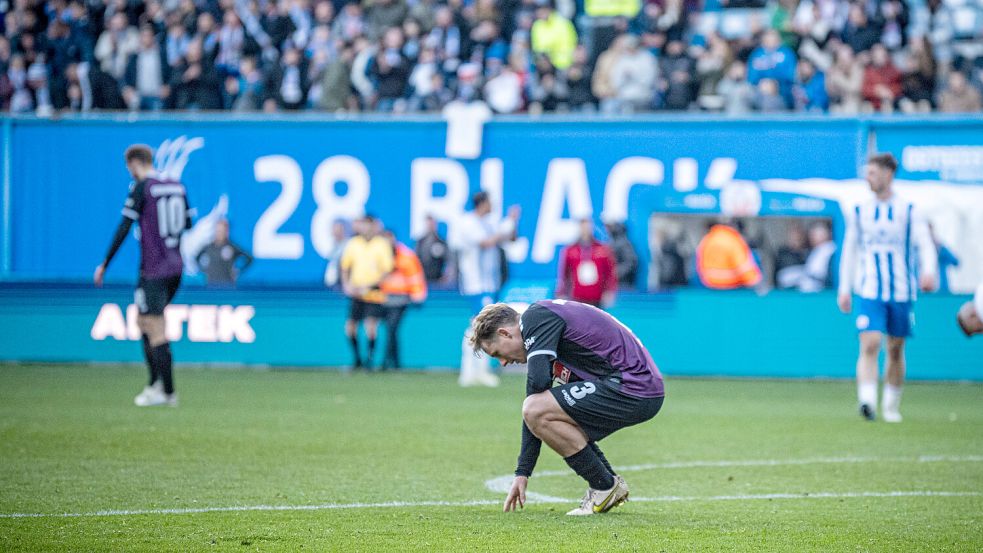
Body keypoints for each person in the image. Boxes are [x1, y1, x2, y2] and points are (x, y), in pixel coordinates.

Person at [469, 299, 665, 516]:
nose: (503, 363)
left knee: (536, 409)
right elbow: (537, 404)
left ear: (505, 333)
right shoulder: (546, 327)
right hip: (636, 385)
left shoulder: (535, 317)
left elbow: (536, 393)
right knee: (550, 415)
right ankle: (608, 484)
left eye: (497, 354)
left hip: (633, 384)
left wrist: (523, 470)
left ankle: (604, 486)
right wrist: (523, 472)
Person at [837, 153, 937, 423]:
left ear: (888, 174)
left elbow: (925, 243)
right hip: (870, 289)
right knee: (869, 342)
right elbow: (849, 251)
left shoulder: (909, 210)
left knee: (895, 349)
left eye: (872, 173)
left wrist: (929, 271)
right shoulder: (859, 211)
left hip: (901, 291)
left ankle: (891, 406)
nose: (868, 178)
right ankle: (867, 402)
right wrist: (844, 288)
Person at [94, 144, 192, 407]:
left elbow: (125, 226)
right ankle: (157, 385)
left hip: (154, 267)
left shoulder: (143, 187)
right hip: (175, 265)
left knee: (152, 325)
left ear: (135, 163)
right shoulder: (176, 185)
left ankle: (165, 391)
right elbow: (188, 223)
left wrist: (105, 263)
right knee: (144, 322)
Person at [454, 191, 521, 387]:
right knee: (478, 325)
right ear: (482, 203)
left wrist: (512, 223)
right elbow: (486, 242)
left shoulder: (489, 223)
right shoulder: (468, 223)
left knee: (483, 326)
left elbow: (511, 239)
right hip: (475, 283)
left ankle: (479, 370)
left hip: (489, 283)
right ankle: (469, 371)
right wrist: (508, 222)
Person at [340, 214, 394, 370]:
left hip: (373, 292)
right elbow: (345, 267)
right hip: (356, 291)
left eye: (368, 224)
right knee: (350, 327)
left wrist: (370, 285)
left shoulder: (381, 244)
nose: (365, 228)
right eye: (363, 224)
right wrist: (347, 285)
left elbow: (387, 270)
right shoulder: (354, 243)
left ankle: (369, 360)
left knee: (371, 326)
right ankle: (356, 359)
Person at [379, 231, 428, 370]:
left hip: (400, 298)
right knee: (387, 330)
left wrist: (418, 296)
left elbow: (415, 276)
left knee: (392, 329)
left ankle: (390, 362)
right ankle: (390, 362)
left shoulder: (406, 256)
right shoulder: (379, 254)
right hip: (381, 298)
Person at [556, 218, 617, 308]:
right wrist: (561, 292)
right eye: (583, 228)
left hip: (597, 296)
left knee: (596, 321)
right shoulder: (570, 250)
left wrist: (609, 291)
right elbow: (565, 274)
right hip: (577, 296)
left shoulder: (602, 250)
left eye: (587, 227)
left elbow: (610, 273)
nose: (585, 230)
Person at [695, 220, 762, 289]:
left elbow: (699, 260)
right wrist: (755, 282)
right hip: (730, 284)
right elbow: (742, 266)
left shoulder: (708, 238)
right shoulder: (733, 240)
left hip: (709, 283)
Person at [195, 218, 253, 287]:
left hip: (227, 284)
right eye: (218, 230)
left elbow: (249, 258)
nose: (220, 233)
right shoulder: (209, 247)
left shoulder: (232, 246)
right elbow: (197, 257)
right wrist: (204, 270)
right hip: (211, 284)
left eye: (222, 230)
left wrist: (238, 271)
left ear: (227, 231)